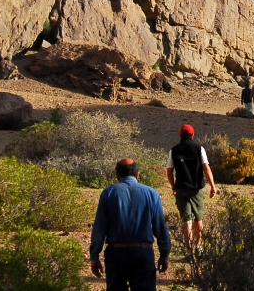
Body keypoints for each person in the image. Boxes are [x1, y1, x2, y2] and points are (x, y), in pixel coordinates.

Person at [91, 158, 171, 291]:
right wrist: (164, 254)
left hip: (115, 254)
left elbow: (99, 228)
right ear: (137, 174)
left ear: (117, 175)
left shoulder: (108, 193)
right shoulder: (151, 194)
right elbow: (161, 227)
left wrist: (94, 256)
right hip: (142, 253)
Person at [165, 124, 218, 253]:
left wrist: (173, 187)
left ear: (180, 135)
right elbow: (206, 168)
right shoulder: (199, 149)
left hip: (181, 189)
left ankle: (188, 249)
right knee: (198, 218)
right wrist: (212, 186)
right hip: (196, 189)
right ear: (193, 135)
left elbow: (169, 171)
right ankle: (198, 246)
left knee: (186, 219)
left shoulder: (174, 150)